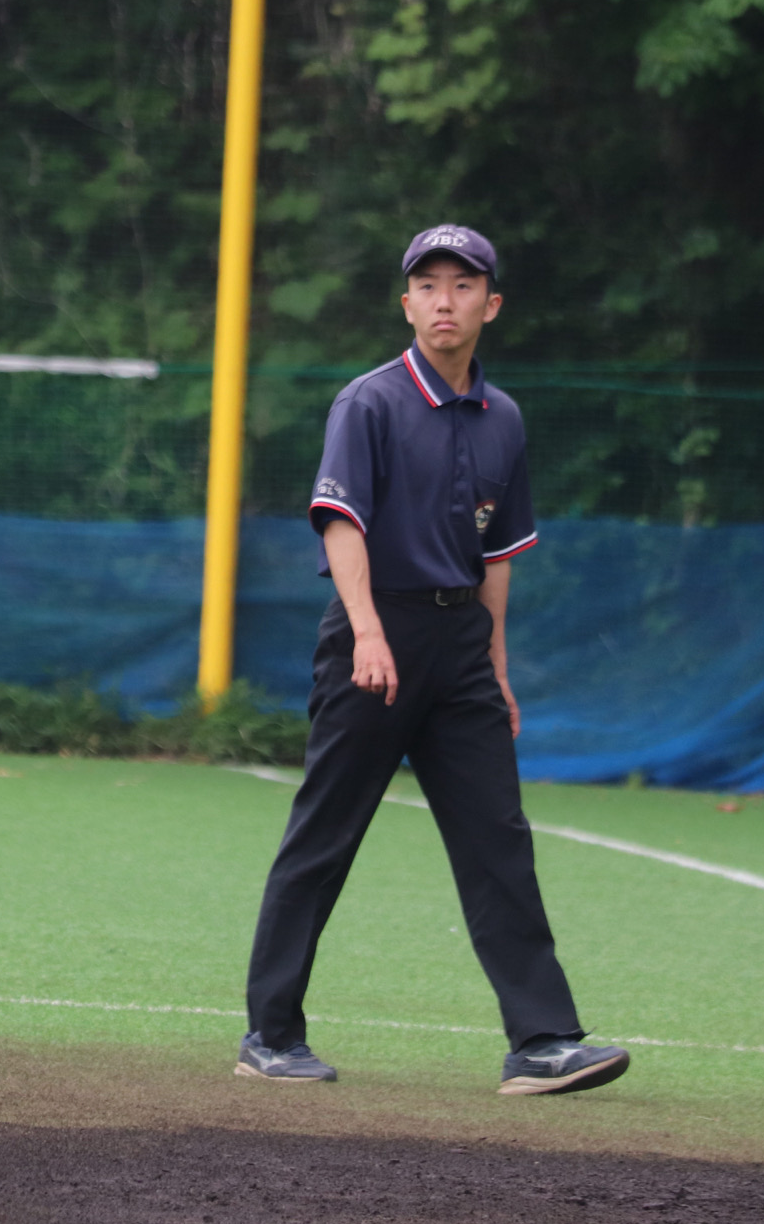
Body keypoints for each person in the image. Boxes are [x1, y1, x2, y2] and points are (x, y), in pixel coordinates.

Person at [235, 225, 627, 1096]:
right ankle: (270, 1035)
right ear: (405, 303)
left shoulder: (504, 417)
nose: (444, 300)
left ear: (492, 304)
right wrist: (369, 633)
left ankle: (542, 1042)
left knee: (498, 839)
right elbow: (341, 525)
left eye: (463, 285)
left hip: (461, 648)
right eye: (428, 285)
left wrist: (496, 662)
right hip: (376, 636)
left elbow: (496, 556)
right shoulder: (368, 403)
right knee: (326, 835)